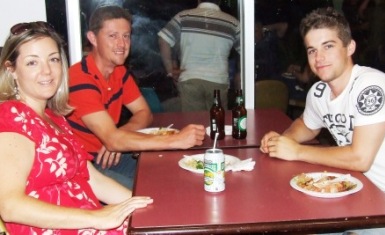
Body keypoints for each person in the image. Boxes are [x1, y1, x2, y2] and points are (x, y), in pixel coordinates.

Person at [0, 21, 153, 234]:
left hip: (86, 220)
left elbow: (92, 179)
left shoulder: (55, 119)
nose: (47, 71)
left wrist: (148, 206)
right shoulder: (10, 117)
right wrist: (97, 217)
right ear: (12, 70)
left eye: (53, 60)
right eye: (32, 63)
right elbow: (9, 206)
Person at [260, 7, 385, 234]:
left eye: (328, 46)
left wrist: (297, 152)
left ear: (349, 47)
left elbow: (360, 158)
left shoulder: (371, 86)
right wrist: (283, 141)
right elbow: (305, 124)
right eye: (312, 50)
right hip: (354, 185)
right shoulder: (319, 91)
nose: (318, 58)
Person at [67, 6, 205, 189]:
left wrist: (118, 137)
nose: (122, 44)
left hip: (110, 156)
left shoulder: (119, 71)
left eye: (126, 36)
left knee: (174, 174)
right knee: (151, 195)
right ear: (92, 38)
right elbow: (112, 139)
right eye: (112, 36)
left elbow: (144, 113)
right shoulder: (79, 78)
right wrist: (175, 140)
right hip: (85, 168)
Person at [157, 0, 240, 111]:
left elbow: (163, 40)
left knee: (193, 124)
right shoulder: (233, 23)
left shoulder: (183, 16)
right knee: (217, 124)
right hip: (218, 81)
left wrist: (170, 70)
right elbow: (245, 51)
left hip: (190, 79)